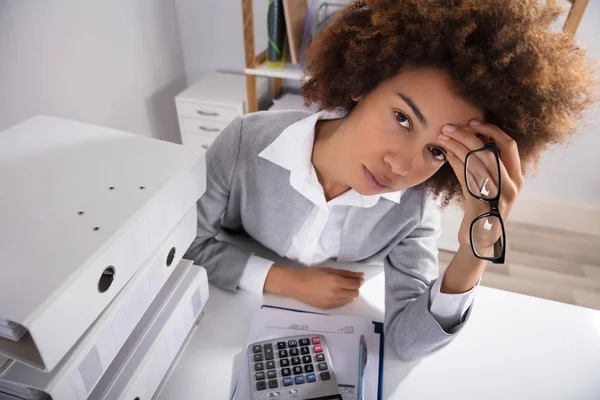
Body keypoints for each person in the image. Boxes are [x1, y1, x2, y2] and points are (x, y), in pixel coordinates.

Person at [184, 0, 596, 361]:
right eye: (402, 118)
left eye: (437, 151)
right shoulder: (243, 141)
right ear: (364, 84)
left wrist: (477, 246)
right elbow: (190, 244)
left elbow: (407, 342)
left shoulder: (416, 210)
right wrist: (285, 280)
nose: (400, 166)